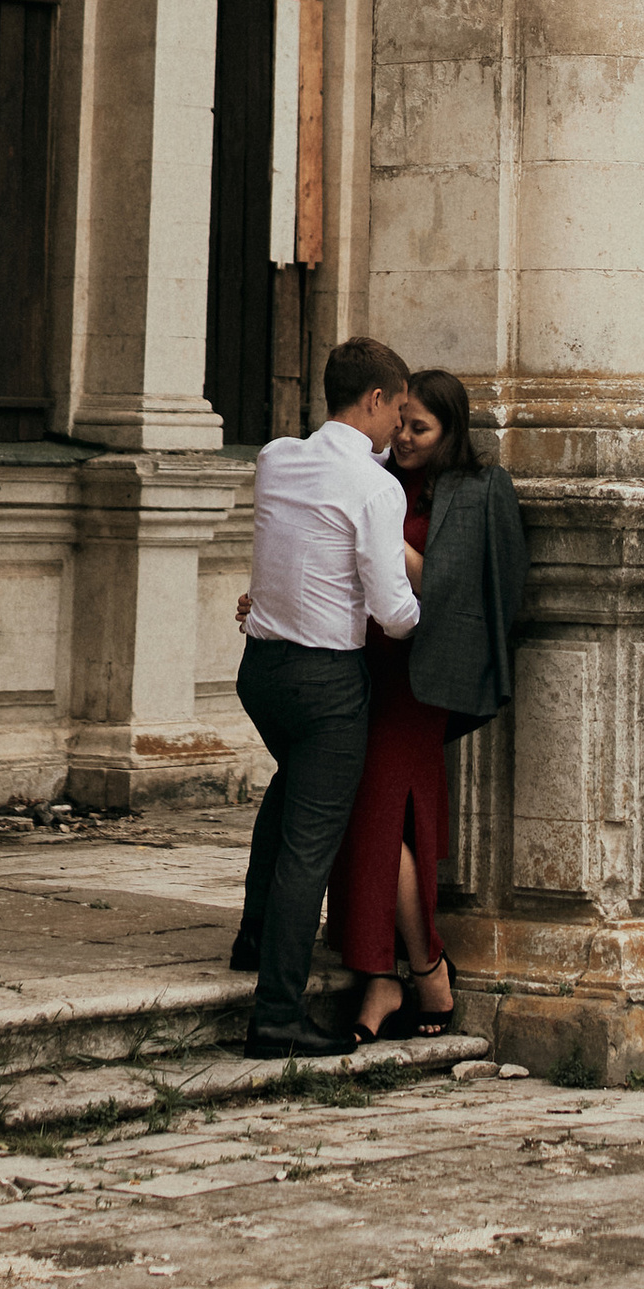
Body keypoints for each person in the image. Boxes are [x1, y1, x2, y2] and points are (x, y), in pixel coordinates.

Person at [229, 333, 416, 1059]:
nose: (400, 427)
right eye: (398, 410)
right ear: (374, 400)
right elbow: (393, 611)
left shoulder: (277, 459)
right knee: (312, 845)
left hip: (261, 673)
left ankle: (253, 935)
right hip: (326, 686)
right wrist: (447, 610)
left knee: (291, 794)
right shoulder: (376, 486)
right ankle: (276, 1011)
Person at [326, 371, 527, 1043]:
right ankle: (388, 973)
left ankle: (417, 965)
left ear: (451, 433)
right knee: (382, 818)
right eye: (402, 423)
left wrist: (381, 539)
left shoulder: (478, 489)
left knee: (374, 813)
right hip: (361, 666)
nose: (405, 438)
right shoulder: (376, 475)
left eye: (422, 429)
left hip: (422, 676)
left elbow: (457, 585)